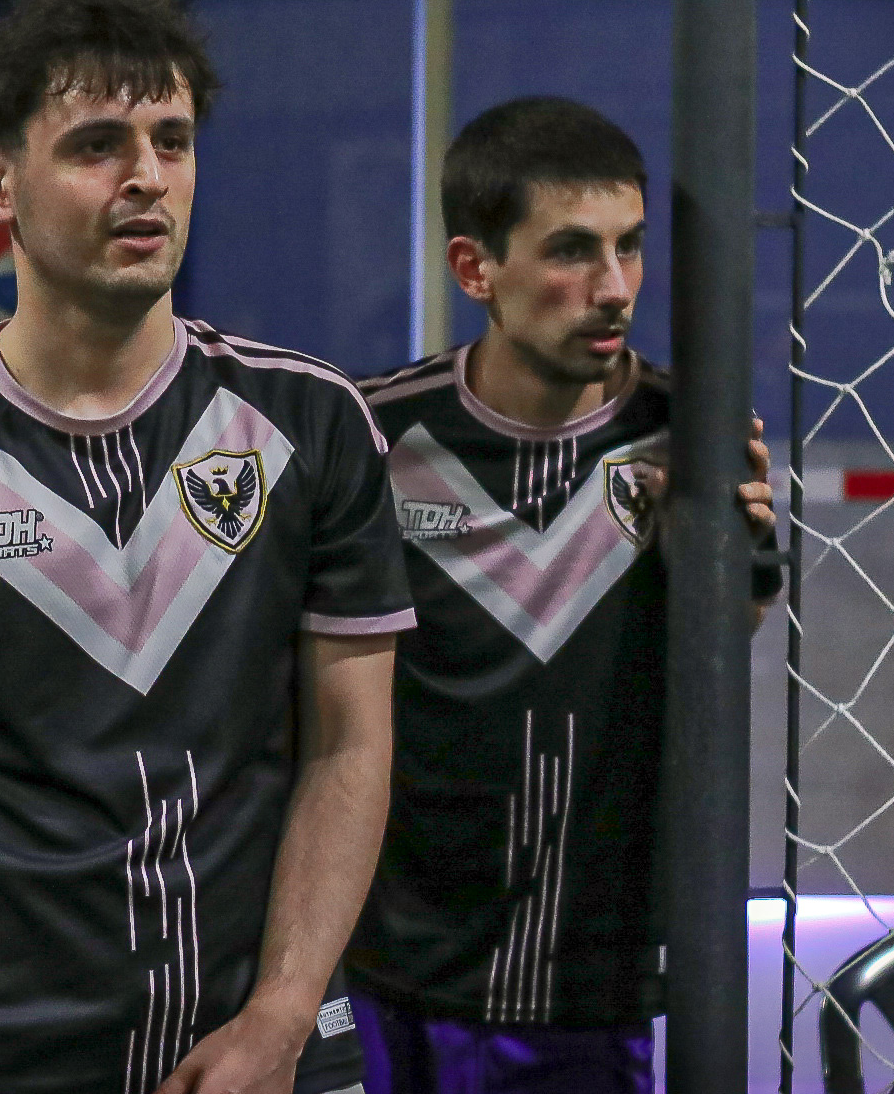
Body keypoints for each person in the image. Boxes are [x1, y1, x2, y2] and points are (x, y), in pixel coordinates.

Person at [0, 0, 414, 1094]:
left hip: (264, 1057)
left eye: (171, 140)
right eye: (96, 145)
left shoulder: (310, 420)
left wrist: (279, 1016)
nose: (146, 177)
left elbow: (348, 746)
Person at [346, 96, 780, 1094]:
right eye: (572, 251)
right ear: (474, 270)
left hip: (593, 976)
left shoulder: (691, 431)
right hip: (383, 964)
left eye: (628, 247)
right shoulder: (370, 435)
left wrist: (713, 558)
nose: (612, 287)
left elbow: (740, 624)